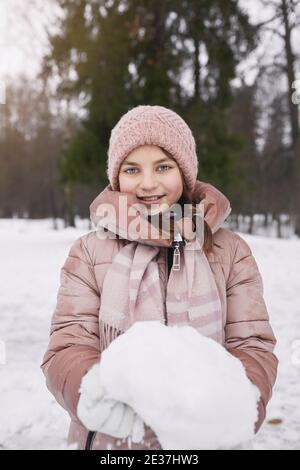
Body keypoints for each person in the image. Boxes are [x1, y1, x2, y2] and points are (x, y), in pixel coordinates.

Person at [41, 105, 278, 450]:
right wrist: (89, 389)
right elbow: (67, 344)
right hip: (114, 443)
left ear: (185, 173)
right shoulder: (89, 252)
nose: (148, 183)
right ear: (116, 177)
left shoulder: (229, 251)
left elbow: (252, 344)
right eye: (132, 169)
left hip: (204, 439)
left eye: (163, 166)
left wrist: (242, 403)